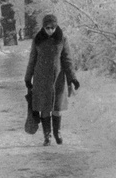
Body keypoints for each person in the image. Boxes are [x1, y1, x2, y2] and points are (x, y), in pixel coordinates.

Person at [25, 14, 80, 146]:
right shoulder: (38, 40)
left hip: (58, 79)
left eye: (53, 27)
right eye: (47, 27)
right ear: (43, 27)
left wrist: (73, 78)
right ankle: (47, 135)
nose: (50, 30)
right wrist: (28, 78)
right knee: (44, 108)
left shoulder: (62, 39)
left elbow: (67, 60)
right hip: (41, 79)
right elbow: (32, 60)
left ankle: (57, 132)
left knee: (57, 107)